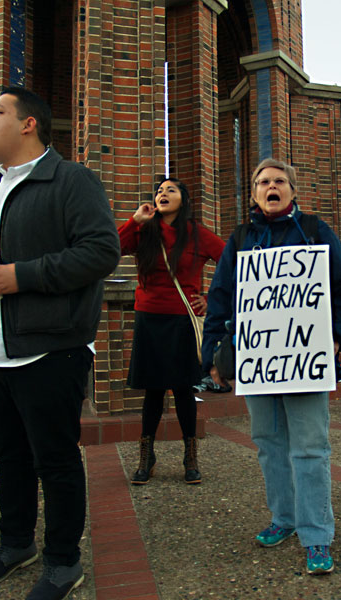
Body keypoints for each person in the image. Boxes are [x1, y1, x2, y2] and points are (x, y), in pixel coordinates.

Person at [0, 87, 120, 600]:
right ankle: (15, 544)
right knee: (8, 453)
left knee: (54, 458)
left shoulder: (71, 180)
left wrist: (21, 277)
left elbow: (100, 251)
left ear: (29, 124)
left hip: (49, 348)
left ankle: (63, 561)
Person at [202, 158, 341, 576]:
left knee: (310, 447)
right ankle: (285, 518)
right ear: (254, 193)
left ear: (292, 190)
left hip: (306, 360)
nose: (271, 186)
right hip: (258, 363)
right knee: (269, 442)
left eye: (279, 181)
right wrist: (213, 356)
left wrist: (337, 336)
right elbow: (220, 298)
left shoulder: (315, 231)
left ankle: (316, 535)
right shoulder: (240, 240)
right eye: (262, 182)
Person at [118, 177, 224, 485]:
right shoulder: (143, 230)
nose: (163, 194)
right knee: (152, 391)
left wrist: (212, 299)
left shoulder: (197, 234)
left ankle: (190, 457)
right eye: (159, 190)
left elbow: (232, 262)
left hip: (181, 321)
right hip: (149, 319)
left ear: (184, 199)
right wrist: (134, 220)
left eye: (171, 190)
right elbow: (109, 249)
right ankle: (146, 456)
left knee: (182, 390)